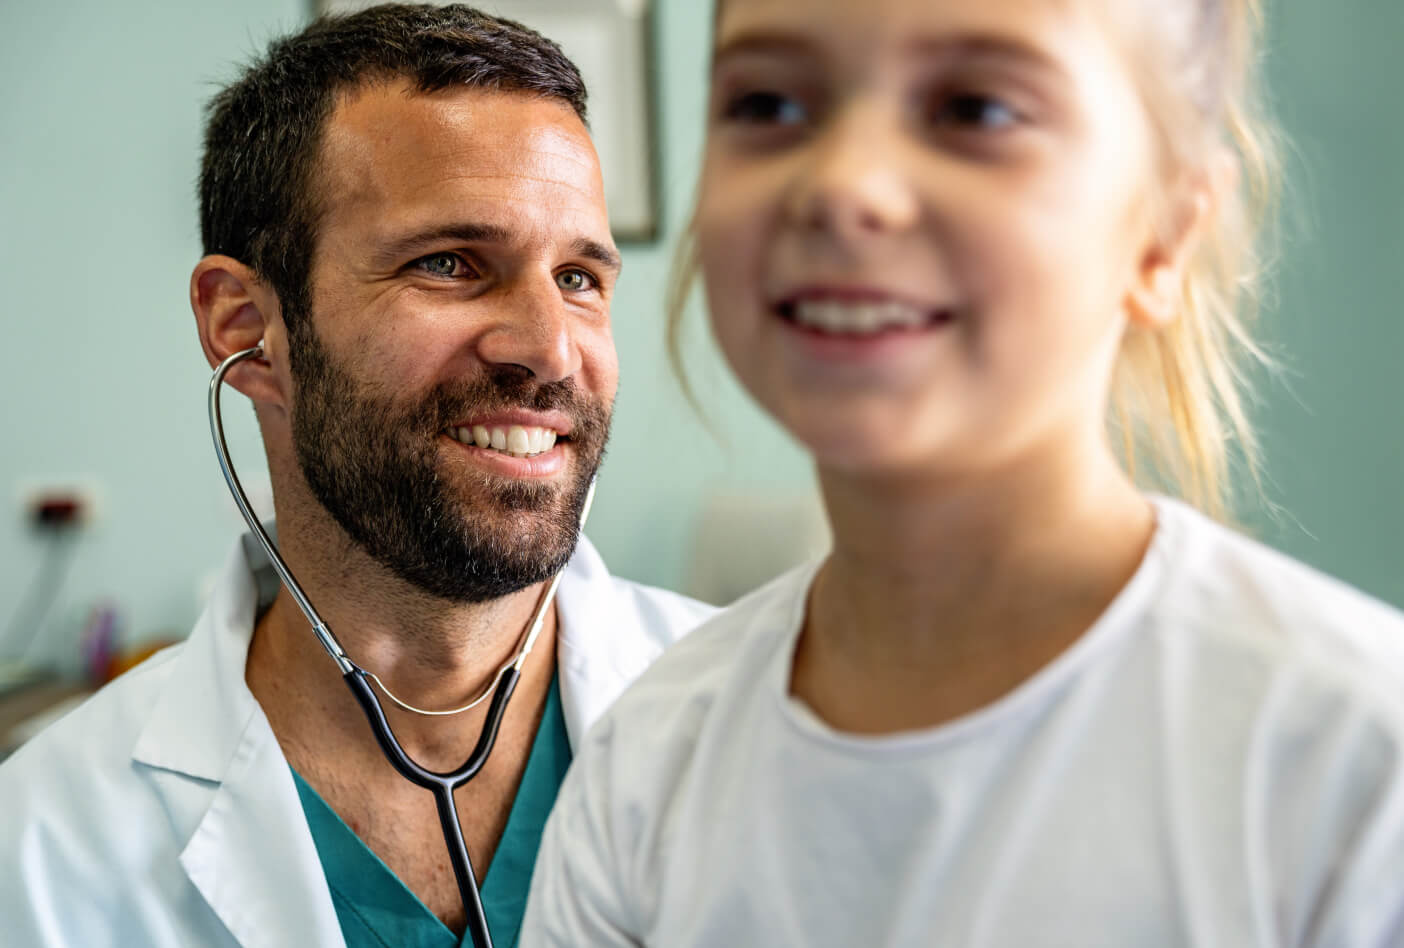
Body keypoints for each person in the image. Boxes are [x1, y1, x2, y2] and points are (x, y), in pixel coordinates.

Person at [521, 0, 1404, 944]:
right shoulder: (641, 774)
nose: (843, 183)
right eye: (770, 104)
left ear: (1167, 233)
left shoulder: (1355, 767)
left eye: (976, 110)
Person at [0, 5, 712, 946]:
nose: (549, 351)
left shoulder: (764, 723)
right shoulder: (46, 850)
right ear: (245, 327)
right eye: (451, 262)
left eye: (579, 277)